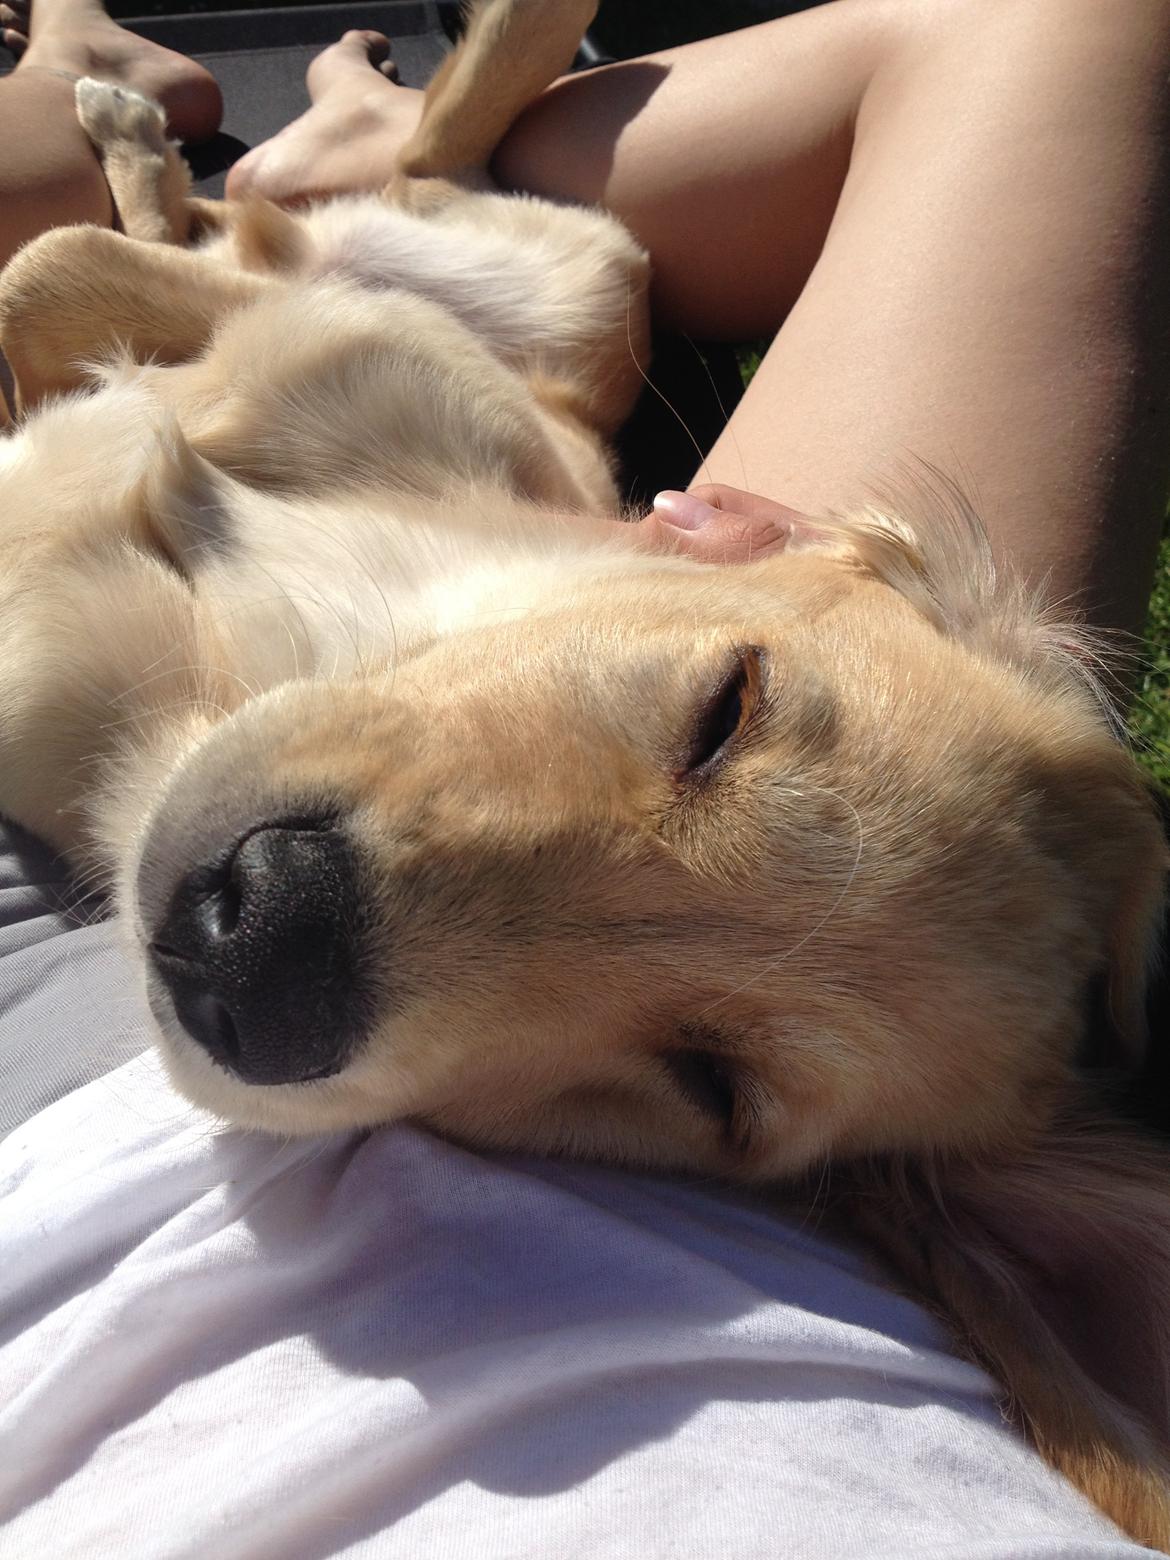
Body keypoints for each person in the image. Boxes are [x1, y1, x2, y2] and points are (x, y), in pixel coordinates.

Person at [0, 2, 1166, 1555]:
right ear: (747, 527)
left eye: (714, 1082)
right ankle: (388, 147)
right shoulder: (549, 477)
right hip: (463, 454)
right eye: (713, 730)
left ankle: (252, 127)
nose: (437, 935)